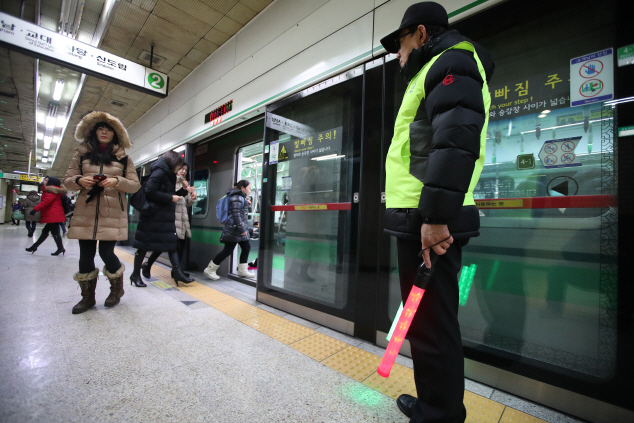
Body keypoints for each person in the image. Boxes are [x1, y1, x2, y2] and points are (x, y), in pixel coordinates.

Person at [380, 2, 494, 422]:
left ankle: (439, 415)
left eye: (402, 42)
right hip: (422, 215)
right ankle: (435, 405)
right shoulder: (438, 69)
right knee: (429, 322)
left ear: (422, 33)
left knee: (432, 325)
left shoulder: (452, 64)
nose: (399, 53)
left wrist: (435, 218)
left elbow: (455, 142)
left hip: (427, 218)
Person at [63, 111, 141, 314]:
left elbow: (134, 186)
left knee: (107, 252)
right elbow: (67, 180)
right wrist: (79, 180)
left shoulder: (124, 158)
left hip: (112, 212)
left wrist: (117, 181)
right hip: (86, 211)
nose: (104, 131)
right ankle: (87, 299)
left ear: (115, 134)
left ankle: (117, 289)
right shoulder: (82, 153)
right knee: (85, 256)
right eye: (100, 128)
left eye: (108, 129)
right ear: (93, 131)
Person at [130, 151, 194, 287]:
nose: (180, 169)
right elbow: (149, 191)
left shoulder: (167, 174)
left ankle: (177, 272)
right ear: (172, 162)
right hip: (152, 216)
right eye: (179, 166)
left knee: (171, 244)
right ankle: (135, 274)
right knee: (143, 247)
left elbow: (167, 193)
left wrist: (182, 192)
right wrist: (170, 198)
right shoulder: (159, 172)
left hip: (162, 216)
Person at [140, 163, 197, 280]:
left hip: (182, 218)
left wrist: (192, 197)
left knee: (179, 245)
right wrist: (184, 190)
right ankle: (175, 271)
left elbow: (185, 202)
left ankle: (174, 270)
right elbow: (170, 197)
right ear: (175, 169)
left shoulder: (184, 183)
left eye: (186, 169)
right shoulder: (170, 182)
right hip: (170, 217)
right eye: (181, 168)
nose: (184, 171)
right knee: (171, 246)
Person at [204, 180, 255, 280]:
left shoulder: (240, 197)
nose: (250, 190)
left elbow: (239, 212)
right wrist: (241, 229)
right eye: (249, 188)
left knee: (246, 247)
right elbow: (236, 215)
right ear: (242, 188)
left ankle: (243, 271)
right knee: (227, 250)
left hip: (238, 229)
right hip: (235, 229)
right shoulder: (237, 197)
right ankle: (209, 269)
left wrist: (246, 204)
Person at [25, 177, 67, 256]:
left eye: (46, 180)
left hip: (53, 215)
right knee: (47, 232)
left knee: (54, 232)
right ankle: (35, 246)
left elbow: (46, 201)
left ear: (51, 182)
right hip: (54, 215)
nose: (44, 181)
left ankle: (60, 248)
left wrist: (35, 209)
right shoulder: (52, 190)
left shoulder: (52, 191)